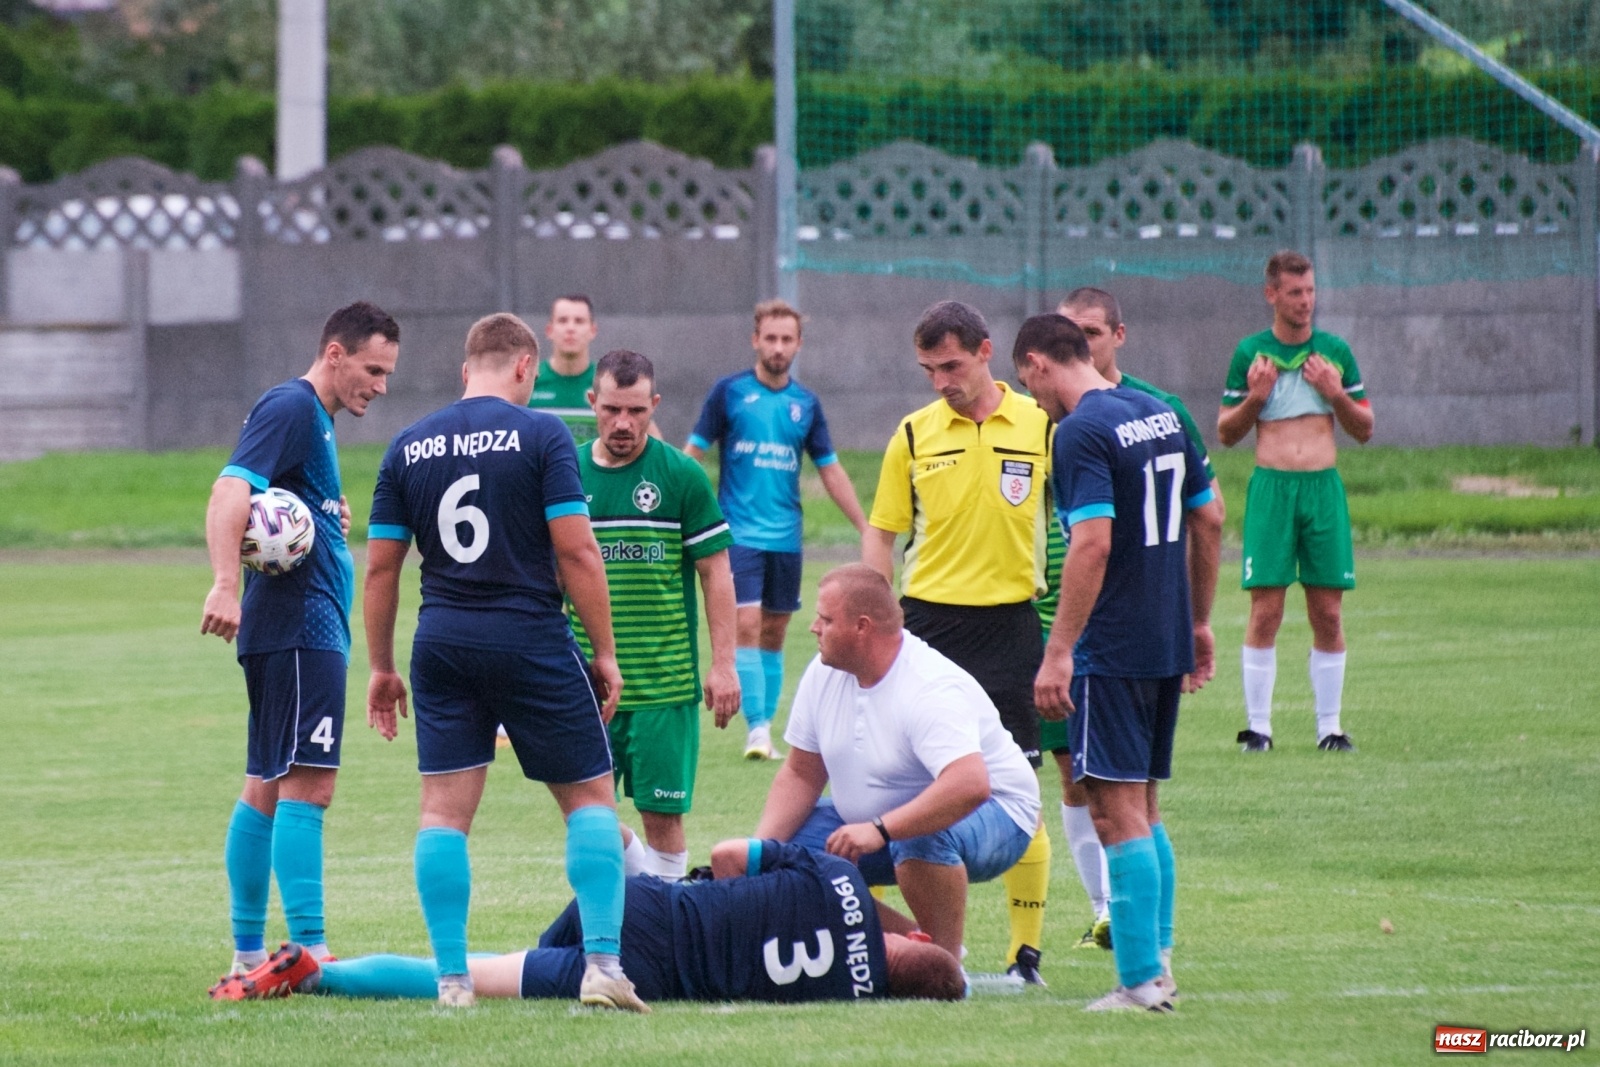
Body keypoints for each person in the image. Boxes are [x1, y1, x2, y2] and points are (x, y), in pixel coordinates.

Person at [355, 312, 646, 1012]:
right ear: (525, 368)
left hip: (443, 640)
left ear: (465, 370)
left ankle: (453, 980)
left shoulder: (408, 443)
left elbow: (381, 569)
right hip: (529, 635)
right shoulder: (544, 434)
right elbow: (577, 550)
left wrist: (381, 666)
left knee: (443, 814)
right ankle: (602, 965)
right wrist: (604, 651)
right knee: (589, 798)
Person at [1013, 312, 1223, 1012]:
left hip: (1113, 644)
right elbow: (1211, 515)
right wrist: (1197, 618)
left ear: (1041, 363)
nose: (1034, 400)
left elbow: (1092, 543)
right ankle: (1156, 962)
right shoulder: (1157, 411)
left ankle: (1139, 983)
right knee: (1145, 806)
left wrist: (1061, 648)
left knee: (1113, 809)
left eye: (1028, 382)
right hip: (1164, 636)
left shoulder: (1081, 431)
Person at [200, 301, 400, 989]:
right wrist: (224, 583)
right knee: (308, 784)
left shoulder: (315, 421)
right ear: (335, 353)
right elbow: (230, 489)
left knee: (265, 784)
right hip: (298, 632)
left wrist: (319, 513)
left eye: (388, 373)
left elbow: (275, 507)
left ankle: (251, 953)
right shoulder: (291, 406)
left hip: (290, 631)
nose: (379, 384)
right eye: (373, 369)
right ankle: (309, 950)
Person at [860, 299, 1054, 983]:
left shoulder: (1040, 425)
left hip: (1010, 628)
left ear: (984, 351)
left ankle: (1025, 953)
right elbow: (880, 533)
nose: (940, 380)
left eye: (950, 365)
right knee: (903, 790)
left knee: (1018, 786)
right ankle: (910, 944)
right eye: (928, 368)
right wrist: (878, 613)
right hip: (928, 629)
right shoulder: (913, 434)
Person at [210, 839, 967, 1004]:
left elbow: (731, 854)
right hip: (657, 972)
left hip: (642, 908)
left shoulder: (835, 874)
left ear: (914, 937)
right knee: (483, 972)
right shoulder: (851, 994)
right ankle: (322, 975)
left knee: (557, 932)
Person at [753, 564, 1041, 964]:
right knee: (786, 857)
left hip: (1000, 815)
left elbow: (971, 785)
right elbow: (802, 773)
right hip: (885, 821)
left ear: (862, 627)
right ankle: (915, 944)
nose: (813, 628)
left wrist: (880, 829)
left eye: (826, 619)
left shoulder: (928, 686)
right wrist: (759, 856)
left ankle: (946, 966)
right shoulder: (823, 673)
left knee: (920, 834)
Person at [576, 348, 740, 881]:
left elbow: (716, 573)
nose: (624, 423)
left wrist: (724, 665)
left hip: (663, 687)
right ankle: (632, 916)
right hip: (587, 684)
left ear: (655, 405)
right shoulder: (564, 473)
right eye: (612, 410)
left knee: (663, 821)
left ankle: (666, 933)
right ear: (592, 402)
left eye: (637, 411)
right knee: (587, 816)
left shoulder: (681, 476)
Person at [686, 299, 868, 760]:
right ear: (755, 340)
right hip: (739, 533)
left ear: (798, 345)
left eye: (787, 339)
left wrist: (866, 527)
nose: (778, 347)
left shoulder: (805, 404)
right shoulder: (728, 393)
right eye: (771, 338)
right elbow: (694, 453)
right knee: (746, 624)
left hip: (786, 536)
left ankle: (764, 725)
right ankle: (759, 730)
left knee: (775, 631)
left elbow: (829, 469)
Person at [1218, 251, 1374, 753]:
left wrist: (1336, 392)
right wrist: (1256, 398)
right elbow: (1226, 433)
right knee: (1266, 609)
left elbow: (1364, 429)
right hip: (1272, 489)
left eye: (1310, 292)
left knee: (1327, 610)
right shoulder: (1251, 355)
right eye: (1294, 293)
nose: (1305, 302)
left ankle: (1330, 727)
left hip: (1322, 489)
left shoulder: (1334, 353)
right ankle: (1258, 728)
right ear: (1272, 295)